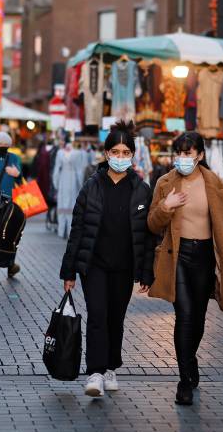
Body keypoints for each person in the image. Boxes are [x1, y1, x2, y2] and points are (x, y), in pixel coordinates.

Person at [60, 120, 154, 398]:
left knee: (116, 317)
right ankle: (95, 373)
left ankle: (112, 366)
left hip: (124, 267)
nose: (121, 157)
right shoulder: (91, 186)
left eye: (126, 152)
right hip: (95, 265)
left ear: (133, 155)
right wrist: (69, 272)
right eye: (116, 151)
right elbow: (78, 230)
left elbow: (147, 236)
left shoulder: (141, 189)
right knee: (98, 316)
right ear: (106, 153)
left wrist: (146, 273)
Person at [147, 131, 223, 406]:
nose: (182, 159)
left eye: (188, 154)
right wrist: (166, 206)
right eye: (178, 153)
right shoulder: (165, 182)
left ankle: (190, 359)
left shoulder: (215, 183)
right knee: (185, 316)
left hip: (206, 257)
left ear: (199, 155)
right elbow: (153, 223)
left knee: (198, 318)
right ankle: (184, 380)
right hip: (178, 256)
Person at [0, 131, 23, 277]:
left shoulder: (14, 157)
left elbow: (20, 179)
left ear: (9, 145)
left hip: (9, 201)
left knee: (11, 232)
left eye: (5, 145)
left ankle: (10, 263)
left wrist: (17, 174)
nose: (2, 146)